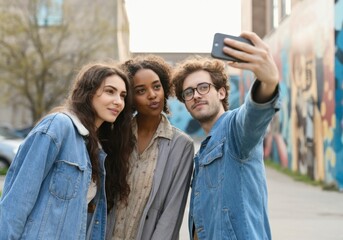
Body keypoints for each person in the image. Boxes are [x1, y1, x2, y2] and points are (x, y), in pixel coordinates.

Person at [0, 62, 134, 240]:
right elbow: (17, 200)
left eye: (123, 95)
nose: (118, 101)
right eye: (110, 91)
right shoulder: (58, 126)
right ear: (89, 92)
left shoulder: (97, 147)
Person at [172, 31, 280, 240]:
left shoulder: (235, 130)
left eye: (203, 87)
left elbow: (254, 114)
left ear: (221, 92)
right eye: (188, 92)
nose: (196, 95)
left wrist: (268, 82)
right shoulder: (203, 151)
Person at [106, 55, 194, 240]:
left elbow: (172, 211)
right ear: (130, 98)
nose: (152, 95)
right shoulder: (114, 135)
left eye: (156, 86)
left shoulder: (181, 145)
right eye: (141, 90)